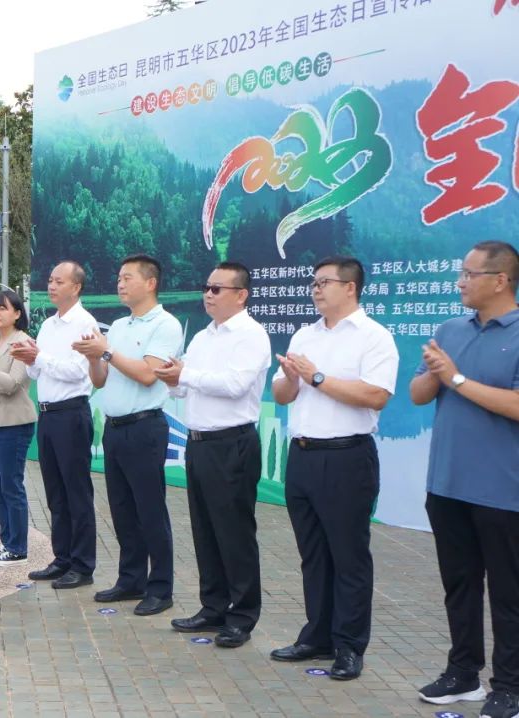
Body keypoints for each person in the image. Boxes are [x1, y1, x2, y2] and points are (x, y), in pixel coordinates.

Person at [269, 255, 399, 681]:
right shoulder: (305, 334)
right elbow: (283, 394)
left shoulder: (373, 337)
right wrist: (292, 378)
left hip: (347, 457)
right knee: (313, 554)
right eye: (314, 282)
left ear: (350, 287)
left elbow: (377, 395)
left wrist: (317, 377)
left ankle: (349, 646)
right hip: (302, 454)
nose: (316, 288)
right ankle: (317, 636)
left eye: (324, 282)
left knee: (349, 556)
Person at [409, 241, 519, 717]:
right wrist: (436, 374)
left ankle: (510, 686)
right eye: (461, 273)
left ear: (501, 280)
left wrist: (455, 378)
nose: (461, 282)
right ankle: (463, 672)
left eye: (470, 274)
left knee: (509, 594)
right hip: (447, 484)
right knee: (459, 585)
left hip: (503, 491)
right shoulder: (450, 330)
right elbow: (417, 394)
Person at [154, 262, 271, 648]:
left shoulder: (251, 335)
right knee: (205, 529)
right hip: (199, 442)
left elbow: (236, 385)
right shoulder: (204, 337)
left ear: (241, 295)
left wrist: (185, 375)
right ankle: (213, 606)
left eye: (217, 289)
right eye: (207, 287)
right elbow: (186, 387)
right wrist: (173, 377)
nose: (208, 294)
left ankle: (242, 615)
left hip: (232, 444)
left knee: (234, 532)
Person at [72, 255, 182, 616]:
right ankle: (131, 579)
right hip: (115, 429)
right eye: (119, 277)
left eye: (128, 278)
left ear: (150, 283)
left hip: (145, 427)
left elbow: (149, 375)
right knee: (121, 509)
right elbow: (101, 379)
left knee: (150, 510)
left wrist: (105, 350)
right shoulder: (118, 326)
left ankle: (160, 588)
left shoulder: (165, 325)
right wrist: (94, 356)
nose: (120, 284)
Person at [10, 261, 97, 590]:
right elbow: (37, 372)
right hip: (47, 414)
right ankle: (62, 558)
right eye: (49, 280)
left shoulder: (85, 323)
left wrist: (40, 358)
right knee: (55, 492)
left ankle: (83, 565)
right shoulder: (48, 324)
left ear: (76, 287)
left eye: (59, 281)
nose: (51, 286)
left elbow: (77, 371)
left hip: (71, 413)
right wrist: (30, 357)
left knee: (76, 492)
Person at [0, 290, 37, 567]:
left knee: (11, 485)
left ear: (17, 313)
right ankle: (7, 543)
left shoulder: (23, 342)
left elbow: (11, 384)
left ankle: (18, 547)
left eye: (2, 308)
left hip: (14, 423)